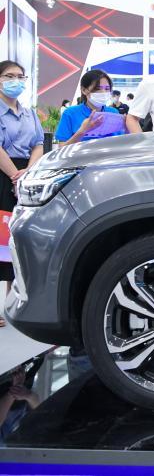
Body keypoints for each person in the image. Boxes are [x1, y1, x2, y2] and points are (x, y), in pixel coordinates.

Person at [0, 60, 43, 327]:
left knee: (16, 238)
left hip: (27, 174)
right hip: (4, 174)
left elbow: (38, 143)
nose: (15, 81)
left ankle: (12, 304)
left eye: (20, 76)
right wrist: (14, 175)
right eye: (9, 76)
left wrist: (27, 171)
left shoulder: (29, 113)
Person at [54, 69, 127, 147]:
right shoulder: (70, 113)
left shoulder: (113, 113)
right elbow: (61, 148)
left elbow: (121, 143)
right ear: (84, 90)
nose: (103, 92)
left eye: (107, 89)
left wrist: (127, 128)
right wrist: (82, 131)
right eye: (98, 89)